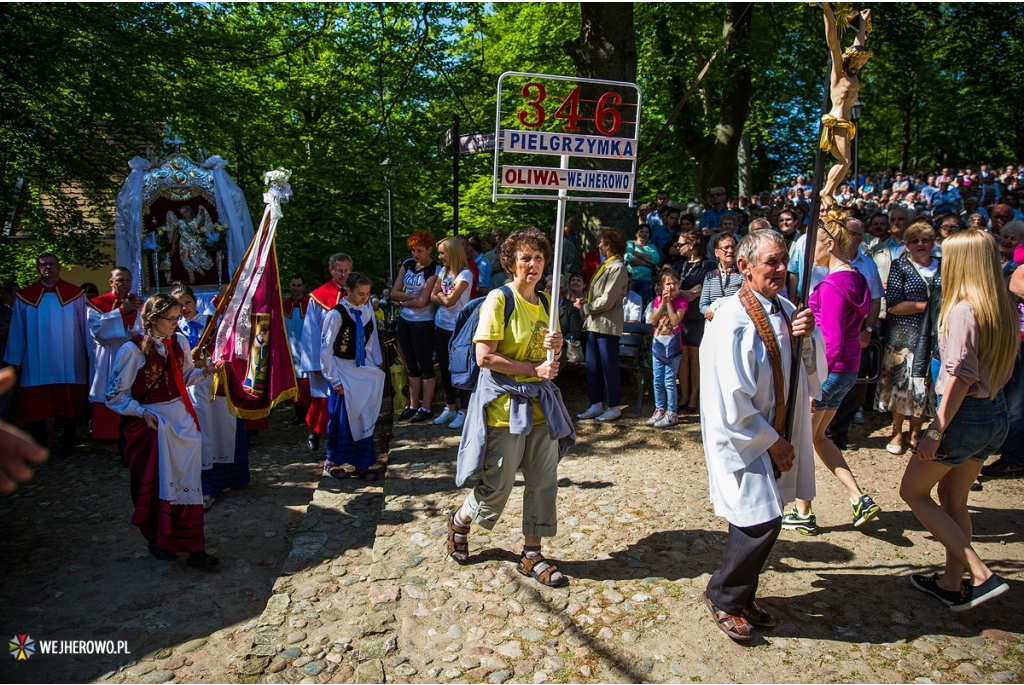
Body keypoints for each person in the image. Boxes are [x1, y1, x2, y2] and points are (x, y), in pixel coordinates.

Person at [700, 230, 822, 641]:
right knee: (760, 519)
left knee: (765, 517)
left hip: (772, 428)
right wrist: (772, 440)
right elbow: (730, 394)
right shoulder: (731, 319)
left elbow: (804, 368)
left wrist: (807, 332)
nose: (782, 268)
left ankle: (742, 593)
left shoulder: (786, 308)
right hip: (743, 434)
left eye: (784, 259)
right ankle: (723, 595)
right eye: (771, 261)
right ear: (744, 268)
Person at [447, 226, 575, 587]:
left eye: (537, 258)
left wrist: (557, 345)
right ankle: (460, 520)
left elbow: (549, 354)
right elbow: (484, 356)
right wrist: (532, 370)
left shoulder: (547, 304)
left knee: (543, 480)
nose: (532, 265)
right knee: (497, 484)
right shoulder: (499, 300)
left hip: (541, 407)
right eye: (525, 258)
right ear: (511, 263)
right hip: (505, 406)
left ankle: (531, 553)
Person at [900, 230, 1017, 610]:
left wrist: (935, 430)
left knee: (913, 493)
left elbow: (961, 376)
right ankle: (951, 583)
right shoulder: (1000, 305)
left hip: (963, 416)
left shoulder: (964, 308)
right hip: (993, 412)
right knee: (953, 498)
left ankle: (979, 574)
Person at [105, 293, 219, 569]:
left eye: (178, 317)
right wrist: (142, 412)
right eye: (171, 318)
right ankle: (160, 539)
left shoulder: (179, 341)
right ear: (153, 319)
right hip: (154, 425)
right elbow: (114, 394)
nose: (175, 323)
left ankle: (193, 546)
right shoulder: (133, 350)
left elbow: (185, 378)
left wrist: (206, 370)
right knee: (160, 484)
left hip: (181, 421)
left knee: (188, 485)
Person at [782, 221, 880, 535]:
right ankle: (858, 497)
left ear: (831, 244)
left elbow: (833, 339)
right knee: (818, 438)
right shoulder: (857, 277)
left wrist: (815, 386)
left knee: (801, 440)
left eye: (814, 246)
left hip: (830, 371)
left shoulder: (833, 285)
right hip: (848, 368)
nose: (809, 254)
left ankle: (804, 511)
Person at [3, 253, 89, 455]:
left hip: (69, 358)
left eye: (51, 264)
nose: (47, 268)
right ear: (38, 269)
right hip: (36, 361)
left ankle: (68, 441)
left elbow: (85, 326)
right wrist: (14, 359)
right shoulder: (25, 297)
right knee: (37, 405)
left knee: (69, 403)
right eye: (43, 265)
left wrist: (91, 353)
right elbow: (17, 330)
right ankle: (39, 444)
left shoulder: (75, 295)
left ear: (59, 267)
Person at [172, 283, 248, 508]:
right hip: (190, 387)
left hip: (215, 383)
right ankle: (206, 480)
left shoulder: (211, 323)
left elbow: (227, 347)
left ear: (195, 302)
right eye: (179, 304)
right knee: (201, 432)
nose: (184, 308)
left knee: (222, 429)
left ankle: (228, 476)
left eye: (187, 302)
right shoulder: (174, 331)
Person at [320, 272, 385, 482]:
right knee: (341, 417)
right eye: (360, 294)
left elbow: (368, 343)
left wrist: (372, 364)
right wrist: (333, 378)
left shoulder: (366, 313)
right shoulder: (336, 315)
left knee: (364, 413)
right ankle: (334, 460)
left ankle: (363, 462)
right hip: (342, 368)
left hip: (359, 369)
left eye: (367, 294)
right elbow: (326, 348)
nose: (364, 298)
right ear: (348, 291)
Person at [819, 4, 871, 212]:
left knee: (846, 161)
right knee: (845, 161)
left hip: (846, 123)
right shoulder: (838, 73)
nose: (859, 66)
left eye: (862, 63)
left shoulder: (853, 75)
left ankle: (828, 191)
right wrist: (826, 9)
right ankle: (826, 191)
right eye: (858, 62)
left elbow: (859, 44)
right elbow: (833, 41)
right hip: (837, 120)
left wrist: (863, 24)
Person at [575, 228, 629, 423]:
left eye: (602, 242)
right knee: (592, 366)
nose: (599, 245)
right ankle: (596, 403)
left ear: (611, 245)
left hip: (607, 325)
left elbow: (607, 299)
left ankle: (614, 406)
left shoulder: (617, 268)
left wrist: (587, 307)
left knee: (608, 367)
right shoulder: (605, 265)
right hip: (593, 324)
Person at [299, 253, 352, 451]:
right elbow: (310, 332)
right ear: (331, 270)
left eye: (347, 271)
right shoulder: (318, 297)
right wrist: (313, 363)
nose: (344, 275)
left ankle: (342, 437)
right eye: (340, 271)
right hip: (325, 356)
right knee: (322, 398)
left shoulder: (356, 293)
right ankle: (315, 431)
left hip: (347, 358)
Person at [86, 267, 143, 442]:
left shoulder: (138, 303)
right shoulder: (96, 304)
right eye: (120, 280)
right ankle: (110, 435)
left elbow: (140, 330)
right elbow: (97, 332)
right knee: (110, 390)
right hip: (109, 356)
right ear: (111, 282)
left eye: (127, 280)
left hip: (132, 357)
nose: (124, 284)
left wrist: (132, 313)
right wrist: (121, 312)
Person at [391, 230, 440, 423]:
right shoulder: (407, 264)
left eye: (419, 250)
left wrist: (404, 300)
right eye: (413, 250)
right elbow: (394, 292)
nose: (415, 254)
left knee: (425, 365)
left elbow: (423, 302)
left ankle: (426, 406)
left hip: (423, 323)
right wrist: (412, 298)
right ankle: (412, 405)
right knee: (410, 366)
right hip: (405, 321)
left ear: (429, 249)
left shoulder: (434, 270)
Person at [430, 237, 474, 430]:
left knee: (460, 369)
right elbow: (434, 296)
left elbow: (451, 302)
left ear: (453, 253)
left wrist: (441, 296)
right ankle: (450, 407)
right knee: (445, 368)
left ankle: (464, 410)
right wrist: (442, 296)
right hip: (441, 325)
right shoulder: (443, 271)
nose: (440, 257)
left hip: (458, 328)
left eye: (442, 253)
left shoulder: (465, 274)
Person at [671, 232, 714, 413]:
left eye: (681, 244)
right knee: (683, 358)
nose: (678, 247)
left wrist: (685, 292)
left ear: (692, 244)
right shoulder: (679, 265)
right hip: (681, 316)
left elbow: (700, 289)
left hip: (698, 316)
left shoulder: (708, 264)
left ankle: (695, 397)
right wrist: (684, 293)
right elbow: (680, 291)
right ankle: (684, 395)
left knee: (695, 358)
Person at [646, 266, 687, 428]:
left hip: (673, 347)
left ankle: (672, 412)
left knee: (669, 381)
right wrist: (662, 303)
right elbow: (652, 320)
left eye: (675, 283)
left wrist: (669, 303)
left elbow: (675, 320)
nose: (671, 287)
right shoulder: (657, 300)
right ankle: (659, 409)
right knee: (657, 380)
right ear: (662, 287)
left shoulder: (681, 301)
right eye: (668, 284)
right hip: (658, 346)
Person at [283, 275, 312, 426]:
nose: (296, 288)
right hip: (292, 349)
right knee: (296, 383)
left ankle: (310, 415)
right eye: (293, 285)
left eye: (298, 285)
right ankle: (299, 414)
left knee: (308, 381)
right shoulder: (285, 305)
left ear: (304, 287)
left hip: (307, 349)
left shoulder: (311, 304)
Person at [699, 233, 744, 321]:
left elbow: (744, 299)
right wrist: (708, 311)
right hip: (715, 323)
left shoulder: (742, 274)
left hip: (736, 321)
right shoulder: (710, 275)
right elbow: (703, 304)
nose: (730, 250)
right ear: (716, 252)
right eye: (726, 248)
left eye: (733, 247)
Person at [625, 224, 660, 309]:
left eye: (647, 232)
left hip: (646, 281)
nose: (644, 234)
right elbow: (629, 258)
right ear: (636, 234)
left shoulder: (652, 247)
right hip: (631, 280)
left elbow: (656, 260)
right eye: (641, 232)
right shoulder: (630, 244)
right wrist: (648, 263)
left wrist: (637, 254)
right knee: (629, 304)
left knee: (642, 304)